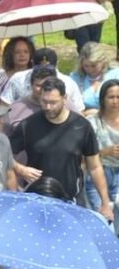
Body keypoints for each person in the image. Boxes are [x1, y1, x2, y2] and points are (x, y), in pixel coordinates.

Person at [10, 77, 113, 217]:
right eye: (44, 101)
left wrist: (105, 203)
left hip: (71, 201)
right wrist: (20, 169)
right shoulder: (28, 125)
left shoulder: (82, 126)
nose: (48, 107)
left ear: (64, 99)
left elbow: (94, 167)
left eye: (53, 102)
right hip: (35, 201)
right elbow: (4, 154)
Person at [87, 79, 119, 209]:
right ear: (102, 99)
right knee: (101, 216)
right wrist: (103, 152)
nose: (115, 101)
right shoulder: (92, 122)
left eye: (118, 97)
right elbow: (82, 154)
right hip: (98, 174)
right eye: (111, 97)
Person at [71, 42, 118, 111]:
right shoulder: (76, 78)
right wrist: (85, 113)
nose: (90, 70)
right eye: (86, 66)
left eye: (94, 66)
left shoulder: (115, 74)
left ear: (103, 62)